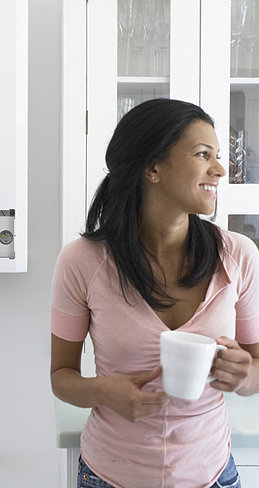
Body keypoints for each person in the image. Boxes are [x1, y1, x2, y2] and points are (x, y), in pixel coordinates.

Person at [50, 99, 259, 488]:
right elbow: (61, 376)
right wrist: (101, 391)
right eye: (203, 154)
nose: (220, 169)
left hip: (212, 474)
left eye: (219, 156)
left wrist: (245, 377)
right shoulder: (81, 262)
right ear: (152, 168)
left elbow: (257, 364)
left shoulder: (239, 256)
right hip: (109, 475)